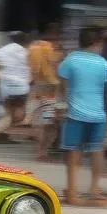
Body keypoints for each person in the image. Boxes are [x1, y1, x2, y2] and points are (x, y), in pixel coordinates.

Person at [58, 26, 107, 206]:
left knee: (73, 153)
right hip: (98, 114)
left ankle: (72, 190)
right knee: (97, 150)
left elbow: (63, 88)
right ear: (96, 42)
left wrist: (60, 108)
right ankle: (94, 189)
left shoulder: (70, 60)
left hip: (75, 114)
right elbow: (104, 88)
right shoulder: (103, 63)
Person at [28, 22, 63, 159]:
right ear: (54, 35)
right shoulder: (53, 50)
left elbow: (32, 70)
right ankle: (42, 152)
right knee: (50, 125)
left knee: (41, 124)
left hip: (37, 90)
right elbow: (56, 70)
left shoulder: (33, 48)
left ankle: (40, 151)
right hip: (51, 92)